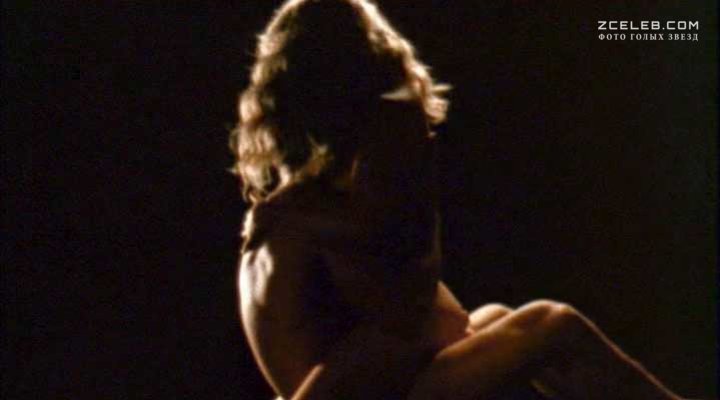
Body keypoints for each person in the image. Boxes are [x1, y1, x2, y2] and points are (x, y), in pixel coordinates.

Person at [230, 1, 687, 398]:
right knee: (552, 324)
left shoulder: (289, 210)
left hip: (384, 381)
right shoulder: (322, 216)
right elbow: (406, 311)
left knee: (499, 320)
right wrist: (408, 157)